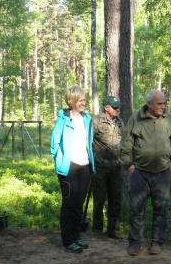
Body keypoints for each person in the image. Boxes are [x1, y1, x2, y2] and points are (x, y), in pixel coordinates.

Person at [120, 90, 171, 256]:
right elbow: (125, 144)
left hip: (162, 172)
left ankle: (156, 242)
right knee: (136, 209)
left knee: (161, 209)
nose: (163, 107)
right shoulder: (136, 119)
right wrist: (129, 166)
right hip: (140, 172)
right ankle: (135, 243)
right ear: (149, 104)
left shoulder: (168, 120)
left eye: (164, 103)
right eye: (159, 104)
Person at [50, 86, 95, 253]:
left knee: (79, 204)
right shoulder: (63, 119)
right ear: (72, 101)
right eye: (81, 100)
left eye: (84, 100)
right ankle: (67, 240)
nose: (84, 103)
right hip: (68, 168)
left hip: (85, 166)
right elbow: (54, 143)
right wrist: (60, 160)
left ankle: (77, 237)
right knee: (69, 204)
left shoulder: (87, 119)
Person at [91, 96, 124, 239]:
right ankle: (97, 228)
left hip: (117, 167)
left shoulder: (120, 123)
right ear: (106, 107)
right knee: (99, 198)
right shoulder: (96, 121)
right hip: (100, 167)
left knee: (115, 198)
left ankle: (113, 229)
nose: (117, 109)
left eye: (118, 106)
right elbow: (88, 142)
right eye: (114, 107)